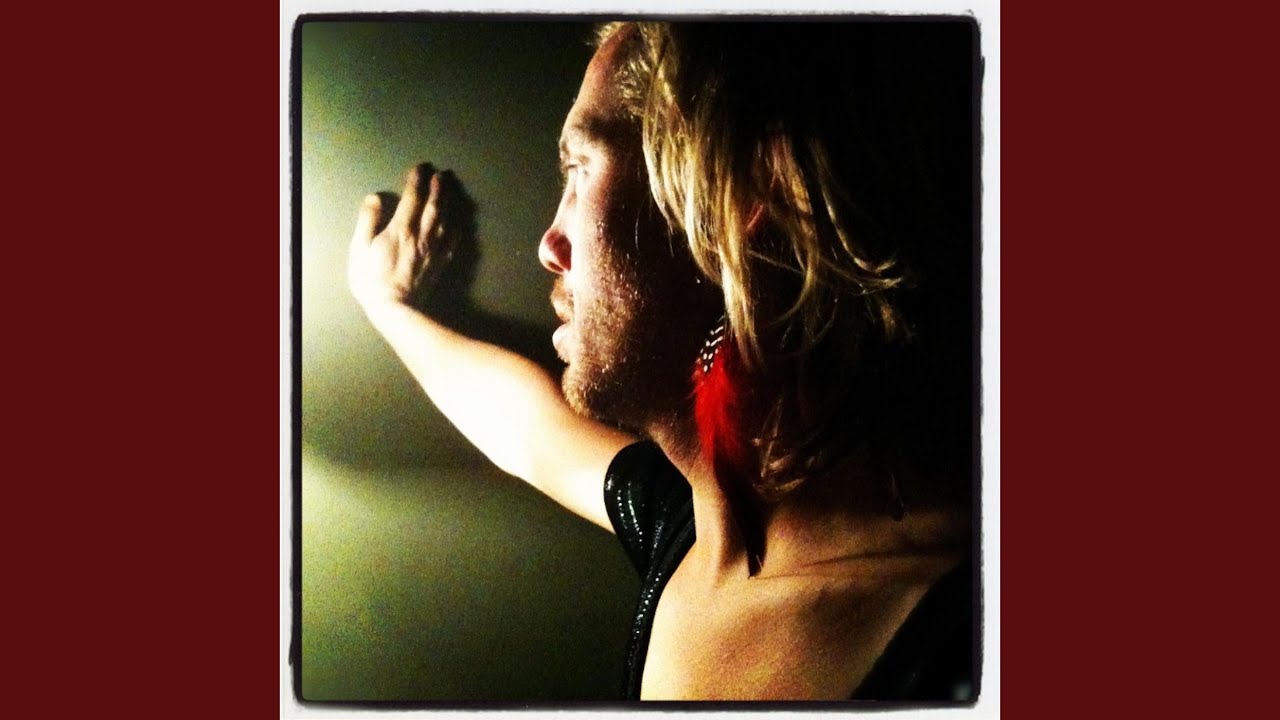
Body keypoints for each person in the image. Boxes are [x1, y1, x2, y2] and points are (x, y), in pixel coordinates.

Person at [346, 20, 977, 702]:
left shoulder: (957, 646)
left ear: (743, 197)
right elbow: (527, 430)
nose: (549, 246)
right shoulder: (690, 530)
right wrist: (386, 305)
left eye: (580, 169)